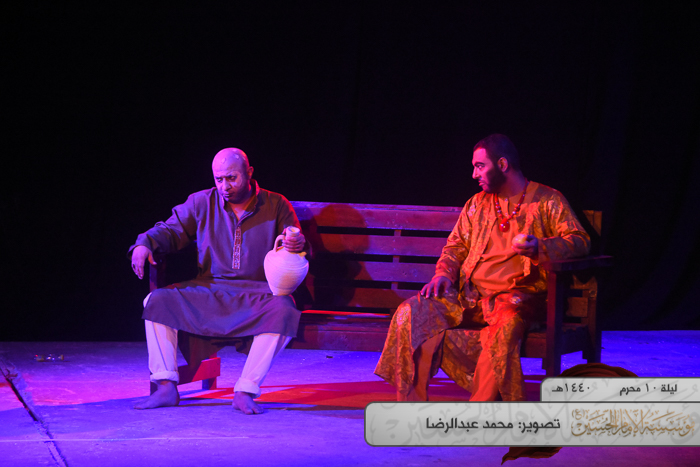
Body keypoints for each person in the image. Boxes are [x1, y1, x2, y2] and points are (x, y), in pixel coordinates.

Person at [374, 134, 590, 402]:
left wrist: (540, 246)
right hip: (470, 298)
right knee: (412, 312)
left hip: (516, 299)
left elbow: (579, 241)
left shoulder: (547, 200)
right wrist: (443, 274)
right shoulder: (477, 204)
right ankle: (410, 406)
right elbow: (455, 246)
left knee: (505, 327)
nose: (474, 174)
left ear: (502, 164)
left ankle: (482, 410)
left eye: (480, 166)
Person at [129, 148, 305, 414]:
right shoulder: (202, 202)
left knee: (284, 310)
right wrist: (145, 243)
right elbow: (171, 230)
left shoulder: (276, 204)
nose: (225, 186)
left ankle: (245, 390)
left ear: (249, 173)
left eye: (232, 178)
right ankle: (165, 385)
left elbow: (296, 243)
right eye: (219, 179)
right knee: (157, 300)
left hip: (258, 293)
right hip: (210, 288)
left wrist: (296, 244)